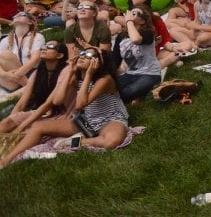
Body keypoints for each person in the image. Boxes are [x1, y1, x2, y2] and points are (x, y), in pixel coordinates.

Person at [0, 47, 129, 167]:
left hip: (110, 119)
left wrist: (88, 75)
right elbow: (57, 100)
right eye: (82, 53)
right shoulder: (76, 77)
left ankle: (77, 142)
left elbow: (80, 104)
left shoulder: (105, 80)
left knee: (112, 141)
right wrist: (70, 72)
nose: (83, 56)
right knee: (38, 127)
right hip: (87, 121)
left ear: (99, 63)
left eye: (89, 55)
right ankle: (6, 161)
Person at [0, 41, 69, 134]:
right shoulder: (37, 73)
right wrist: (11, 118)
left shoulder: (66, 71)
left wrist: (21, 126)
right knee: (6, 123)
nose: (44, 48)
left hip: (60, 114)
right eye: (44, 46)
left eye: (50, 46)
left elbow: (48, 105)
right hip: (41, 112)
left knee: (26, 131)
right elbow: (21, 103)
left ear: (60, 55)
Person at [113, 4, 161, 104]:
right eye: (131, 12)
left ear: (143, 20)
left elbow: (135, 39)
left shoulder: (148, 33)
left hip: (150, 74)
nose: (131, 15)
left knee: (126, 93)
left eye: (135, 13)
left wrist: (129, 21)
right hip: (129, 74)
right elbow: (115, 61)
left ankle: (146, 91)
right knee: (108, 91)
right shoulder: (121, 37)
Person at [0, 11, 44, 92]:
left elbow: (35, 59)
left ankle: (31, 90)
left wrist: (16, 75)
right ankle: (28, 91)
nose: (18, 16)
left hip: (28, 75)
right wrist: (5, 75)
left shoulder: (37, 37)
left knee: (6, 54)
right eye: (16, 15)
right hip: (10, 78)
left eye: (22, 15)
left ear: (30, 22)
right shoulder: (5, 40)